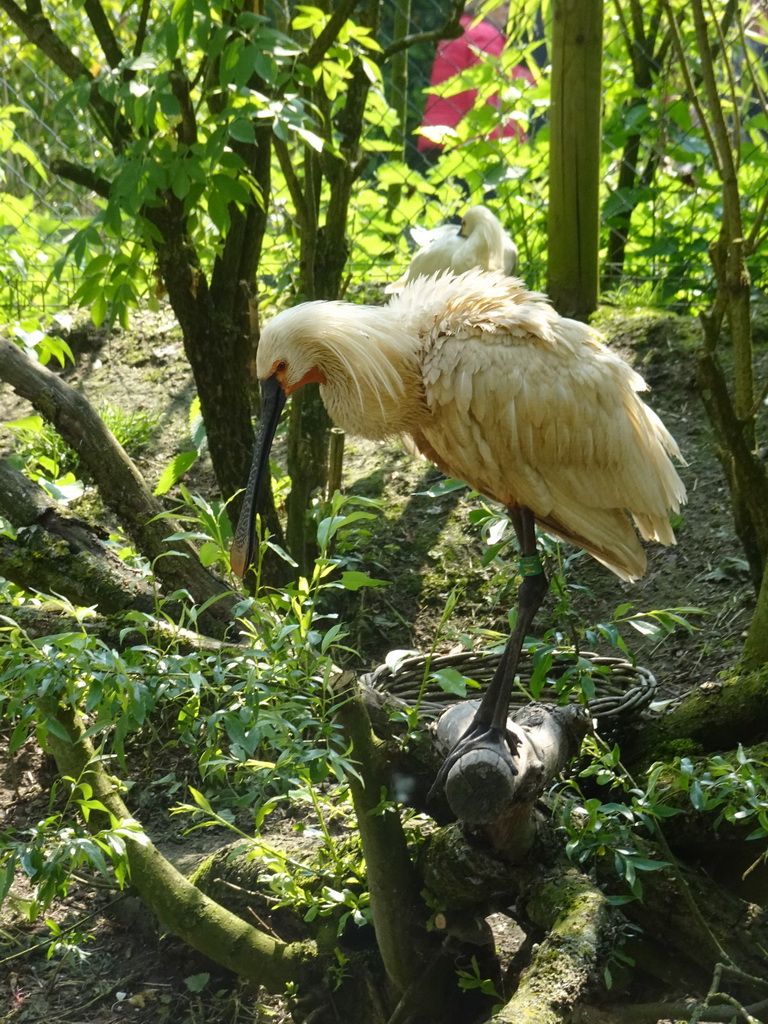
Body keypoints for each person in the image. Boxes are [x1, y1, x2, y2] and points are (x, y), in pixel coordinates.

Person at [417, 2, 535, 155]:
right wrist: (515, 147)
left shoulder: (459, 30)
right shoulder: (485, 34)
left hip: (437, 137)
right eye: (505, 5)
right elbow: (488, 97)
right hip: (466, 144)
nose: (510, 11)